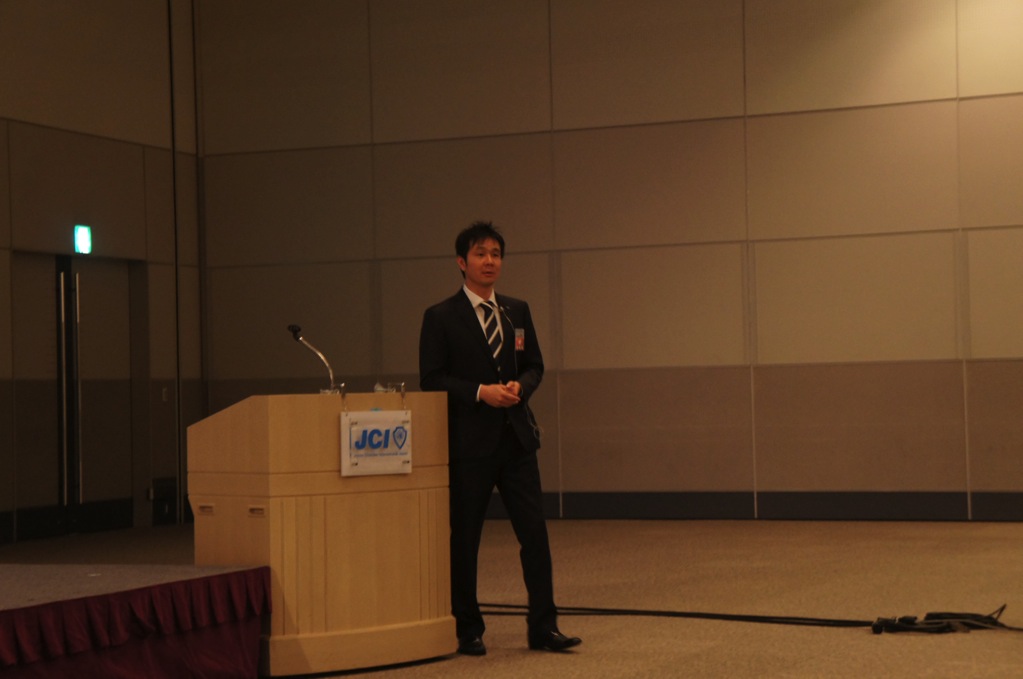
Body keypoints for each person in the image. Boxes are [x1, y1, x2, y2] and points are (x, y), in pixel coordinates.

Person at [419, 221, 582, 656]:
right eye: (480, 254)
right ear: (462, 262)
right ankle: (468, 629)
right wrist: (480, 392)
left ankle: (544, 627)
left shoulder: (516, 311)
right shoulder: (440, 317)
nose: (489, 261)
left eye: (495, 254)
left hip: (516, 442)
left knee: (535, 537)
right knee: (465, 540)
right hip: (469, 447)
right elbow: (431, 379)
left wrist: (519, 388)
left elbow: (535, 366)